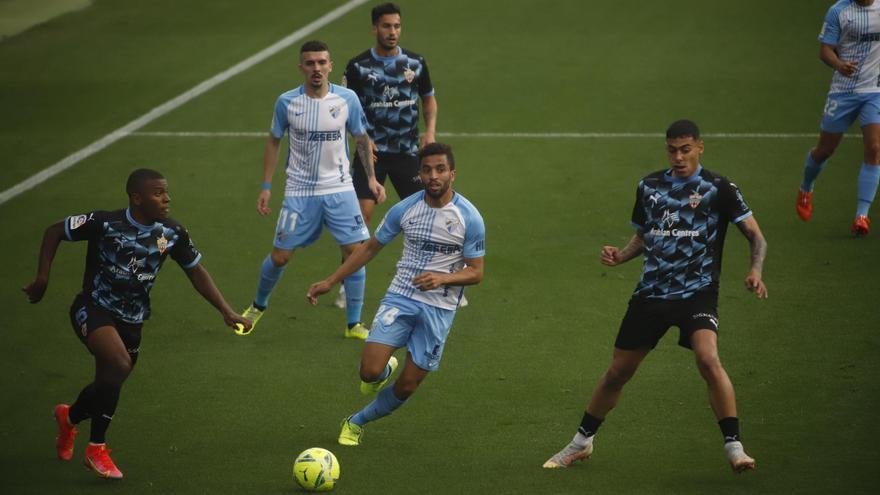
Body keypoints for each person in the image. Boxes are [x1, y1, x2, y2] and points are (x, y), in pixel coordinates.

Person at [543, 120, 767, 474]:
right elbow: (646, 236)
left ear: (700, 147)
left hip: (697, 293)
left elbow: (756, 236)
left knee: (708, 359)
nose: (678, 157)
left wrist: (755, 270)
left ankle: (734, 446)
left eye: (685, 149)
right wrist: (620, 254)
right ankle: (581, 442)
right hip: (651, 294)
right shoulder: (649, 186)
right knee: (617, 372)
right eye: (672, 150)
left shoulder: (718, 188)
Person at [22, 168, 250, 480]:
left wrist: (226, 310)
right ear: (137, 198)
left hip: (134, 320)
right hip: (93, 307)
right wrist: (43, 277)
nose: (167, 198)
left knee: (109, 383)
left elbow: (195, 271)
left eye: (166, 191)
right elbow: (54, 231)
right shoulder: (105, 223)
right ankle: (96, 449)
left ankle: (69, 418)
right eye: (159, 193)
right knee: (117, 363)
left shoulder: (171, 233)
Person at [306, 142, 484, 446]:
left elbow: (476, 271)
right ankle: (384, 367)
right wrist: (332, 280)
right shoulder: (405, 209)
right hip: (402, 296)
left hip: (439, 310)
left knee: (407, 386)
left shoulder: (470, 218)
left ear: (452, 173)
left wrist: (442, 278)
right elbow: (371, 247)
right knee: (369, 372)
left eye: (440, 169)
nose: (433, 176)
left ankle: (356, 422)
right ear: (419, 174)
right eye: (427, 170)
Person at [235, 40, 386, 339]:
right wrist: (266, 186)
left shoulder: (347, 99)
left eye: (321, 62)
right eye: (310, 63)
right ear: (301, 67)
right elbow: (274, 140)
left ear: (330, 65)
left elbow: (360, 138)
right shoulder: (287, 102)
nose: (316, 68)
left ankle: (353, 324)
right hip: (299, 192)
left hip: (340, 189)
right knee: (280, 256)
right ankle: (257, 306)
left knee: (355, 253)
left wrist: (370, 180)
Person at [334, 2, 446, 309]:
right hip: (370, 154)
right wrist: (362, 137)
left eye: (396, 26)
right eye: (386, 26)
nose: (392, 32)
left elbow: (429, 99)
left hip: (408, 153)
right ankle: (348, 283)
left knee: (429, 215)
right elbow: (344, 109)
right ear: (374, 28)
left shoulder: (416, 63)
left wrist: (430, 131)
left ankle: (439, 278)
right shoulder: (357, 67)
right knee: (359, 221)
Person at [797, 0, 880, 236]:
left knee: (874, 149)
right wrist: (839, 64)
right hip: (842, 92)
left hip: (874, 92)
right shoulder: (839, 11)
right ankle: (806, 186)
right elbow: (825, 50)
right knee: (825, 150)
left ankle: (861, 215)